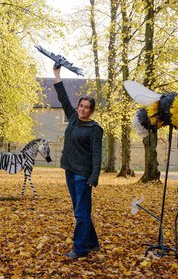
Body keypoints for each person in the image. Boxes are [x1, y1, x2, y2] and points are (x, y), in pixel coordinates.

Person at [53, 65, 103, 259]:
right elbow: (63, 97)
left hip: (83, 175)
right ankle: (93, 243)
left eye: (86, 107)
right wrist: (57, 75)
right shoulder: (73, 118)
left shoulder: (94, 129)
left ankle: (80, 250)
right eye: (81, 106)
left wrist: (94, 176)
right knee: (79, 210)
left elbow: (97, 154)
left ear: (91, 110)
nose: (82, 109)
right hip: (69, 170)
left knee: (81, 214)